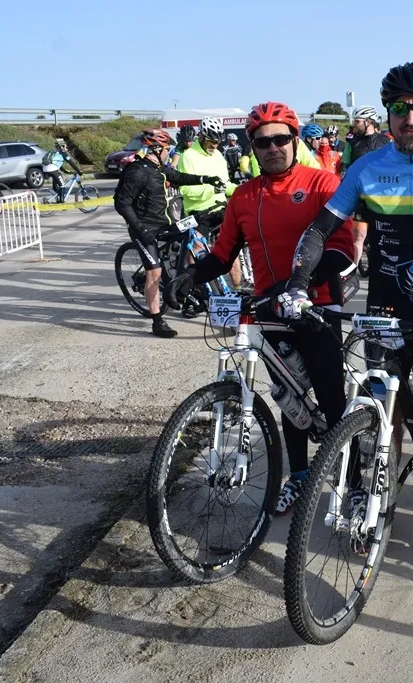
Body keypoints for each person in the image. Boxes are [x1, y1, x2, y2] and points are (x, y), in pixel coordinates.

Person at [279, 62, 413, 563]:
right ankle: (378, 503)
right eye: (400, 109)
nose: (410, 119)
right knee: (384, 417)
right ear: (388, 114)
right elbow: (319, 231)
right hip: (386, 307)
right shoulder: (367, 168)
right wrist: (297, 284)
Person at [169, 102, 356, 514]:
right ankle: (299, 477)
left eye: (280, 139)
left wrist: (301, 284)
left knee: (331, 398)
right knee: (289, 399)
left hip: (318, 307)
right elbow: (222, 255)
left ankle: (354, 481)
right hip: (269, 310)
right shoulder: (244, 196)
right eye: (262, 142)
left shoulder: (322, 183)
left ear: (294, 140)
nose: (272, 148)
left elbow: (343, 249)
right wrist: (189, 277)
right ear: (251, 147)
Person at [113, 128, 224, 338]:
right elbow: (122, 203)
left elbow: (179, 176)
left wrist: (206, 179)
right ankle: (157, 321)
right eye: (167, 149)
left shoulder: (159, 168)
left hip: (164, 223)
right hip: (143, 228)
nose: (169, 152)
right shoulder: (137, 171)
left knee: (191, 232)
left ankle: (182, 285)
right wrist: (140, 229)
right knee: (154, 271)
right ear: (156, 149)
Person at [176, 117, 238, 297]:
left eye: (217, 142)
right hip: (198, 211)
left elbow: (226, 184)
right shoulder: (188, 156)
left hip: (219, 208)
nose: (214, 146)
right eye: (211, 141)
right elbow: (185, 190)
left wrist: (240, 190)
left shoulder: (218, 155)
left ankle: (237, 289)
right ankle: (193, 287)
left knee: (232, 249)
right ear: (202, 136)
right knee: (197, 250)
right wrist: (212, 189)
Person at [338, 104, 391, 266]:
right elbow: (344, 167)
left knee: (384, 237)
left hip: (383, 198)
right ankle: (353, 269)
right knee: (358, 236)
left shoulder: (386, 142)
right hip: (360, 198)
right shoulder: (351, 143)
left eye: (357, 121)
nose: (354, 125)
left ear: (368, 122)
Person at [41, 139, 84, 203]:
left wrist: (67, 171)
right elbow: (72, 163)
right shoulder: (63, 153)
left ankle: (57, 198)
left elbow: (57, 165)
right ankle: (62, 201)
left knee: (57, 183)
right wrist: (79, 172)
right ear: (61, 147)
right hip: (52, 170)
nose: (67, 149)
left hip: (46, 169)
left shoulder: (55, 153)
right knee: (62, 185)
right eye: (66, 147)